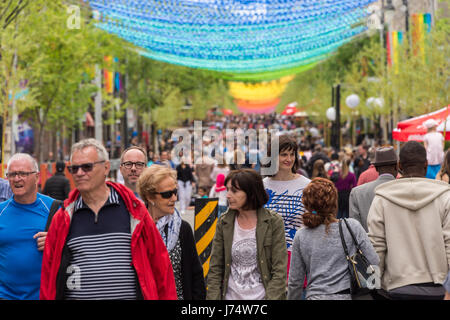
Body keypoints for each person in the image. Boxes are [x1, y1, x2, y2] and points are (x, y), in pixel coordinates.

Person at [40, 138, 177, 300]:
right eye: (74, 168)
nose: (79, 173)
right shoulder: (63, 218)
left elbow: (161, 269)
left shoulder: (135, 211)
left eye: (87, 167)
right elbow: (48, 279)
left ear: (105, 168)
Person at [367, 141, 450, 300]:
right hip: (437, 286)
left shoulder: (382, 199)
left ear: (399, 165)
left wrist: (374, 286)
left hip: (397, 286)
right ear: (426, 164)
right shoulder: (444, 197)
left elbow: (375, 247)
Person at [288, 178, 379, 300]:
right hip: (345, 295)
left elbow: (295, 280)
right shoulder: (352, 226)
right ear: (334, 203)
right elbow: (374, 260)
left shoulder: (301, 235)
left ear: (307, 204)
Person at [207, 169, 287, 300]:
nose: (227, 195)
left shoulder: (273, 222)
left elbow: (280, 271)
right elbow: (215, 269)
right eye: (227, 190)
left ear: (251, 193)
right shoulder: (224, 221)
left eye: (234, 190)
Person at [137, 164, 206, 300]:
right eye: (167, 194)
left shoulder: (182, 228)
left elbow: (196, 275)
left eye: (175, 192)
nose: (174, 198)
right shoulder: (137, 229)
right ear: (150, 197)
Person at [0, 153, 58, 300]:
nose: (16, 179)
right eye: (12, 174)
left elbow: (74, 247)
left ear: (37, 177)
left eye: (23, 174)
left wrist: (55, 242)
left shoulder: (55, 209)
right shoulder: (1, 211)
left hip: (43, 295)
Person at [263, 135, 311, 274]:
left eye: (292, 154)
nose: (289, 159)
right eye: (284, 154)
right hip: (267, 261)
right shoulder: (261, 186)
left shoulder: (307, 185)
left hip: (299, 261)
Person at [349, 147, 398, 232]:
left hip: (368, 243)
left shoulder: (357, 193)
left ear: (376, 168)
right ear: (396, 167)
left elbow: (354, 230)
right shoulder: (407, 190)